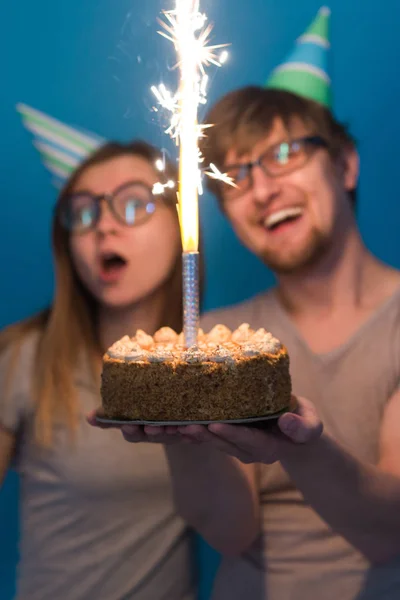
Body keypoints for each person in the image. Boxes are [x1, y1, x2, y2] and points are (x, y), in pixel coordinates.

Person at [98, 9, 400, 600]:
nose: (261, 189)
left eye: (285, 152)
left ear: (345, 164)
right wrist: (183, 436)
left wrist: (297, 444)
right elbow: (232, 534)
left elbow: (390, 534)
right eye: (233, 174)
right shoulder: (211, 343)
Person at [0, 139, 197, 600]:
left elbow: (235, 528)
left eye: (133, 205)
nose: (105, 226)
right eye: (84, 214)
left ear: (181, 223)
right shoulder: (24, 359)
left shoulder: (206, 366)